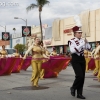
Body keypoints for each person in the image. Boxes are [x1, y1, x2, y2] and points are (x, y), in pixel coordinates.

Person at [68, 26, 92, 99]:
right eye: (79, 33)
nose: (80, 34)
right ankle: (73, 87)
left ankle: (79, 93)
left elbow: (90, 49)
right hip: (75, 59)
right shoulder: (71, 41)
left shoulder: (82, 40)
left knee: (82, 77)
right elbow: (73, 51)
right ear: (75, 33)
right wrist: (82, 44)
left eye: (81, 33)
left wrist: (87, 43)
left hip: (82, 59)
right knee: (79, 76)